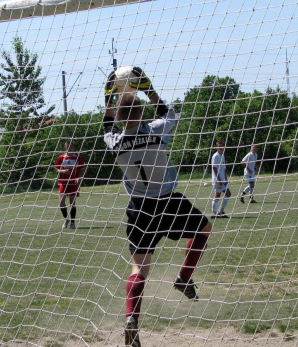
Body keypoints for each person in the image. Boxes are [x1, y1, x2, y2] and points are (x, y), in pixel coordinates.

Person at [103, 69, 212, 347]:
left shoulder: (114, 142)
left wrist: (109, 96)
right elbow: (168, 111)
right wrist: (148, 88)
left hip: (139, 208)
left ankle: (131, 318)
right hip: (168, 201)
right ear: (141, 114)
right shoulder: (156, 131)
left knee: (139, 268)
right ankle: (184, 278)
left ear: (119, 116)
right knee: (204, 229)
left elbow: (107, 125)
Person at [54, 140, 85, 229]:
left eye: (70, 146)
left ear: (73, 147)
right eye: (67, 146)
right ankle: (66, 219)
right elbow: (57, 169)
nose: (68, 148)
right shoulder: (61, 157)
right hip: (63, 182)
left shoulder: (77, 157)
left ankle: (72, 223)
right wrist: (63, 171)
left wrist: (79, 177)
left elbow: (82, 169)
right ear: (65, 147)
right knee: (61, 202)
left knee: (72, 203)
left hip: (73, 183)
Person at [211, 140, 232, 218]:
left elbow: (223, 168)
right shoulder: (215, 156)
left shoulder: (222, 156)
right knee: (219, 195)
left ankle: (219, 212)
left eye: (222, 146)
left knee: (225, 194)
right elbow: (214, 168)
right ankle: (216, 213)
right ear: (217, 147)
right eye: (219, 146)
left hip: (222, 179)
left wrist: (225, 178)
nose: (221, 148)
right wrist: (219, 179)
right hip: (217, 179)